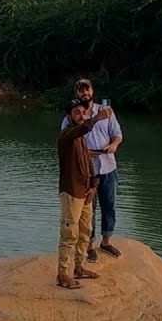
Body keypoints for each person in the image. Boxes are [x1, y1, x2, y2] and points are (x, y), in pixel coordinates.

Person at [60, 78, 124, 263]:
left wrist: (114, 145)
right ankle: (89, 246)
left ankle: (106, 241)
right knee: (88, 210)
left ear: (92, 91)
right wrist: (84, 153)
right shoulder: (72, 116)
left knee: (109, 205)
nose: (85, 93)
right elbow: (66, 141)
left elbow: (117, 134)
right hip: (85, 171)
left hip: (107, 165)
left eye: (87, 89)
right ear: (76, 94)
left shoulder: (106, 112)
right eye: (81, 90)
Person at [56, 99, 111, 289]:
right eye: (76, 112)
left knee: (85, 231)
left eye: (82, 112)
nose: (80, 115)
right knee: (69, 234)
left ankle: (79, 267)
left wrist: (94, 185)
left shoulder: (81, 139)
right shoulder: (67, 136)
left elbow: (89, 165)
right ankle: (63, 275)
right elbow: (79, 130)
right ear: (68, 116)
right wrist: (96, 119)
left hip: (85, 192)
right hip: (71, 192)